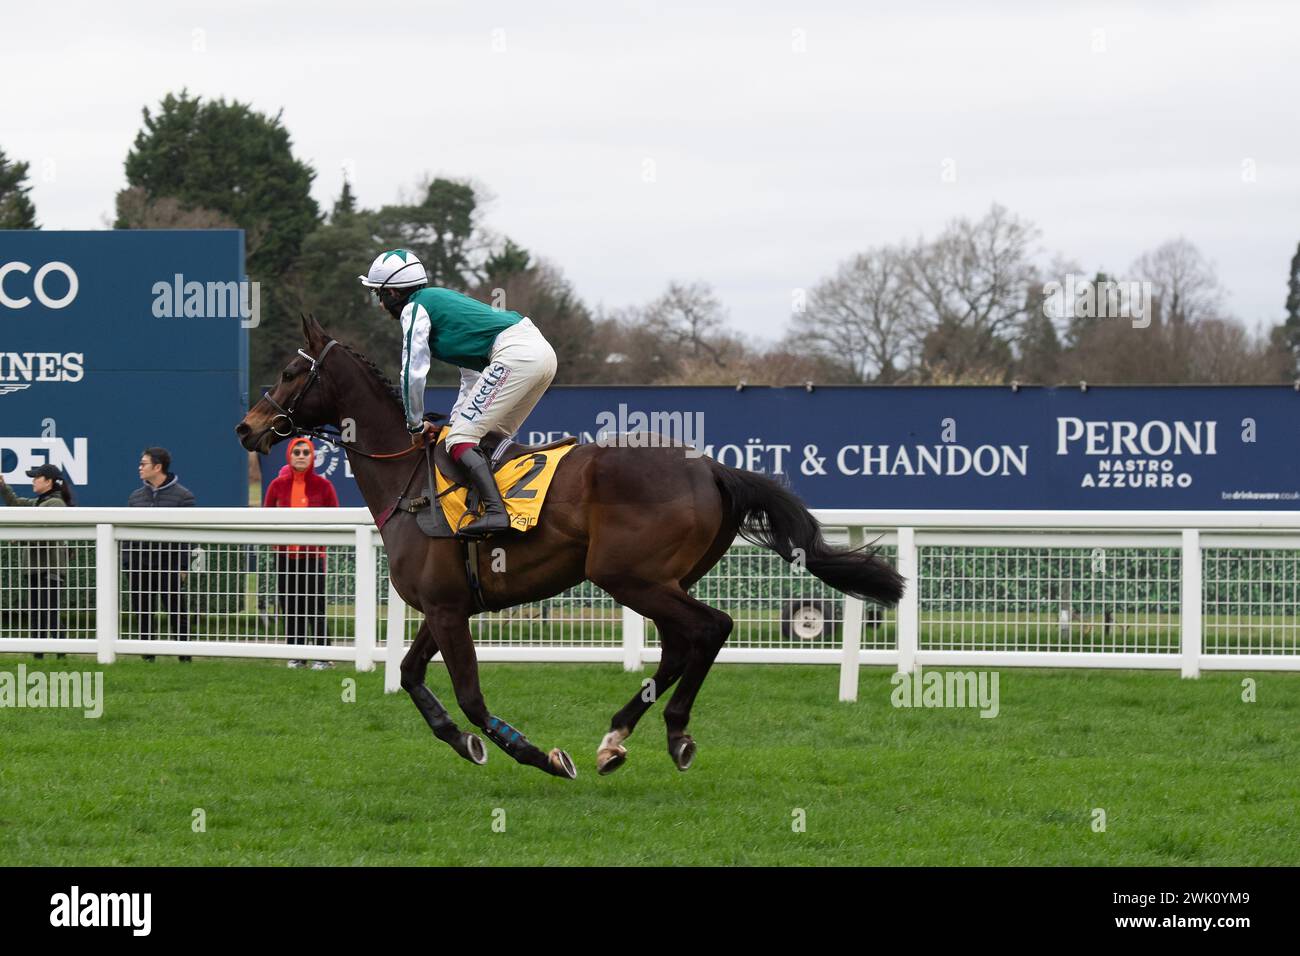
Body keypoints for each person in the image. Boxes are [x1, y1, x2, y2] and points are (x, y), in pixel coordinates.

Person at [359, 248, 557, 537]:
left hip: (517, 355)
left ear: (392, 293)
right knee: (487, 438)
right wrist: (454, 423)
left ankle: (496, 513)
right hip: (539, 354)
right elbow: (472, 376)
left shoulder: (415, 308)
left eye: (378, 293)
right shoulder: (438, 303)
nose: (379, 304)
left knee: (461, 439)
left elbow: (412, 371)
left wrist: (413, 424)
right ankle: (506, 509)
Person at [262, 436, 339, 669]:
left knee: (314, 605)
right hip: (285, 557)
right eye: (297, 453)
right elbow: (265, 517)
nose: (302, 457)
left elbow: (336, 518)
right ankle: (296, 654)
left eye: (306, 453)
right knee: (290, 604)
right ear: (290, 456)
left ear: (313, 456)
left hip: (313, 557)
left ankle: (322, 656)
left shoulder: (324, 486)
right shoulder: (277, 486)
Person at [125, 447, 195, 662]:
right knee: (143, 613)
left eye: (143, 463)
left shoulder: (183, 496)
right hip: (139, 565)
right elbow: (128, 534)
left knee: (176, 612)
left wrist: (183, 566)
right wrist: (128, 564)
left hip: (169, 565)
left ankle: (184, 657)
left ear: (158, 467)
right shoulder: (135, 497)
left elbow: (187, 535)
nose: (139, 468)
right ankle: (148, 658)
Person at [0, 464, 72, 660]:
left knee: (49, 613)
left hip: (50, 567)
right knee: (37, 614)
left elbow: (43, 530)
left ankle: (61, 655)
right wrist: (3, 487)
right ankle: (38, 656)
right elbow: (14, 503)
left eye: (36, 477)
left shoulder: (55, 503)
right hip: (36, 568)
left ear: (48, 481)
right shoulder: (39, 502)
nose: (33, 480)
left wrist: (20, 535)